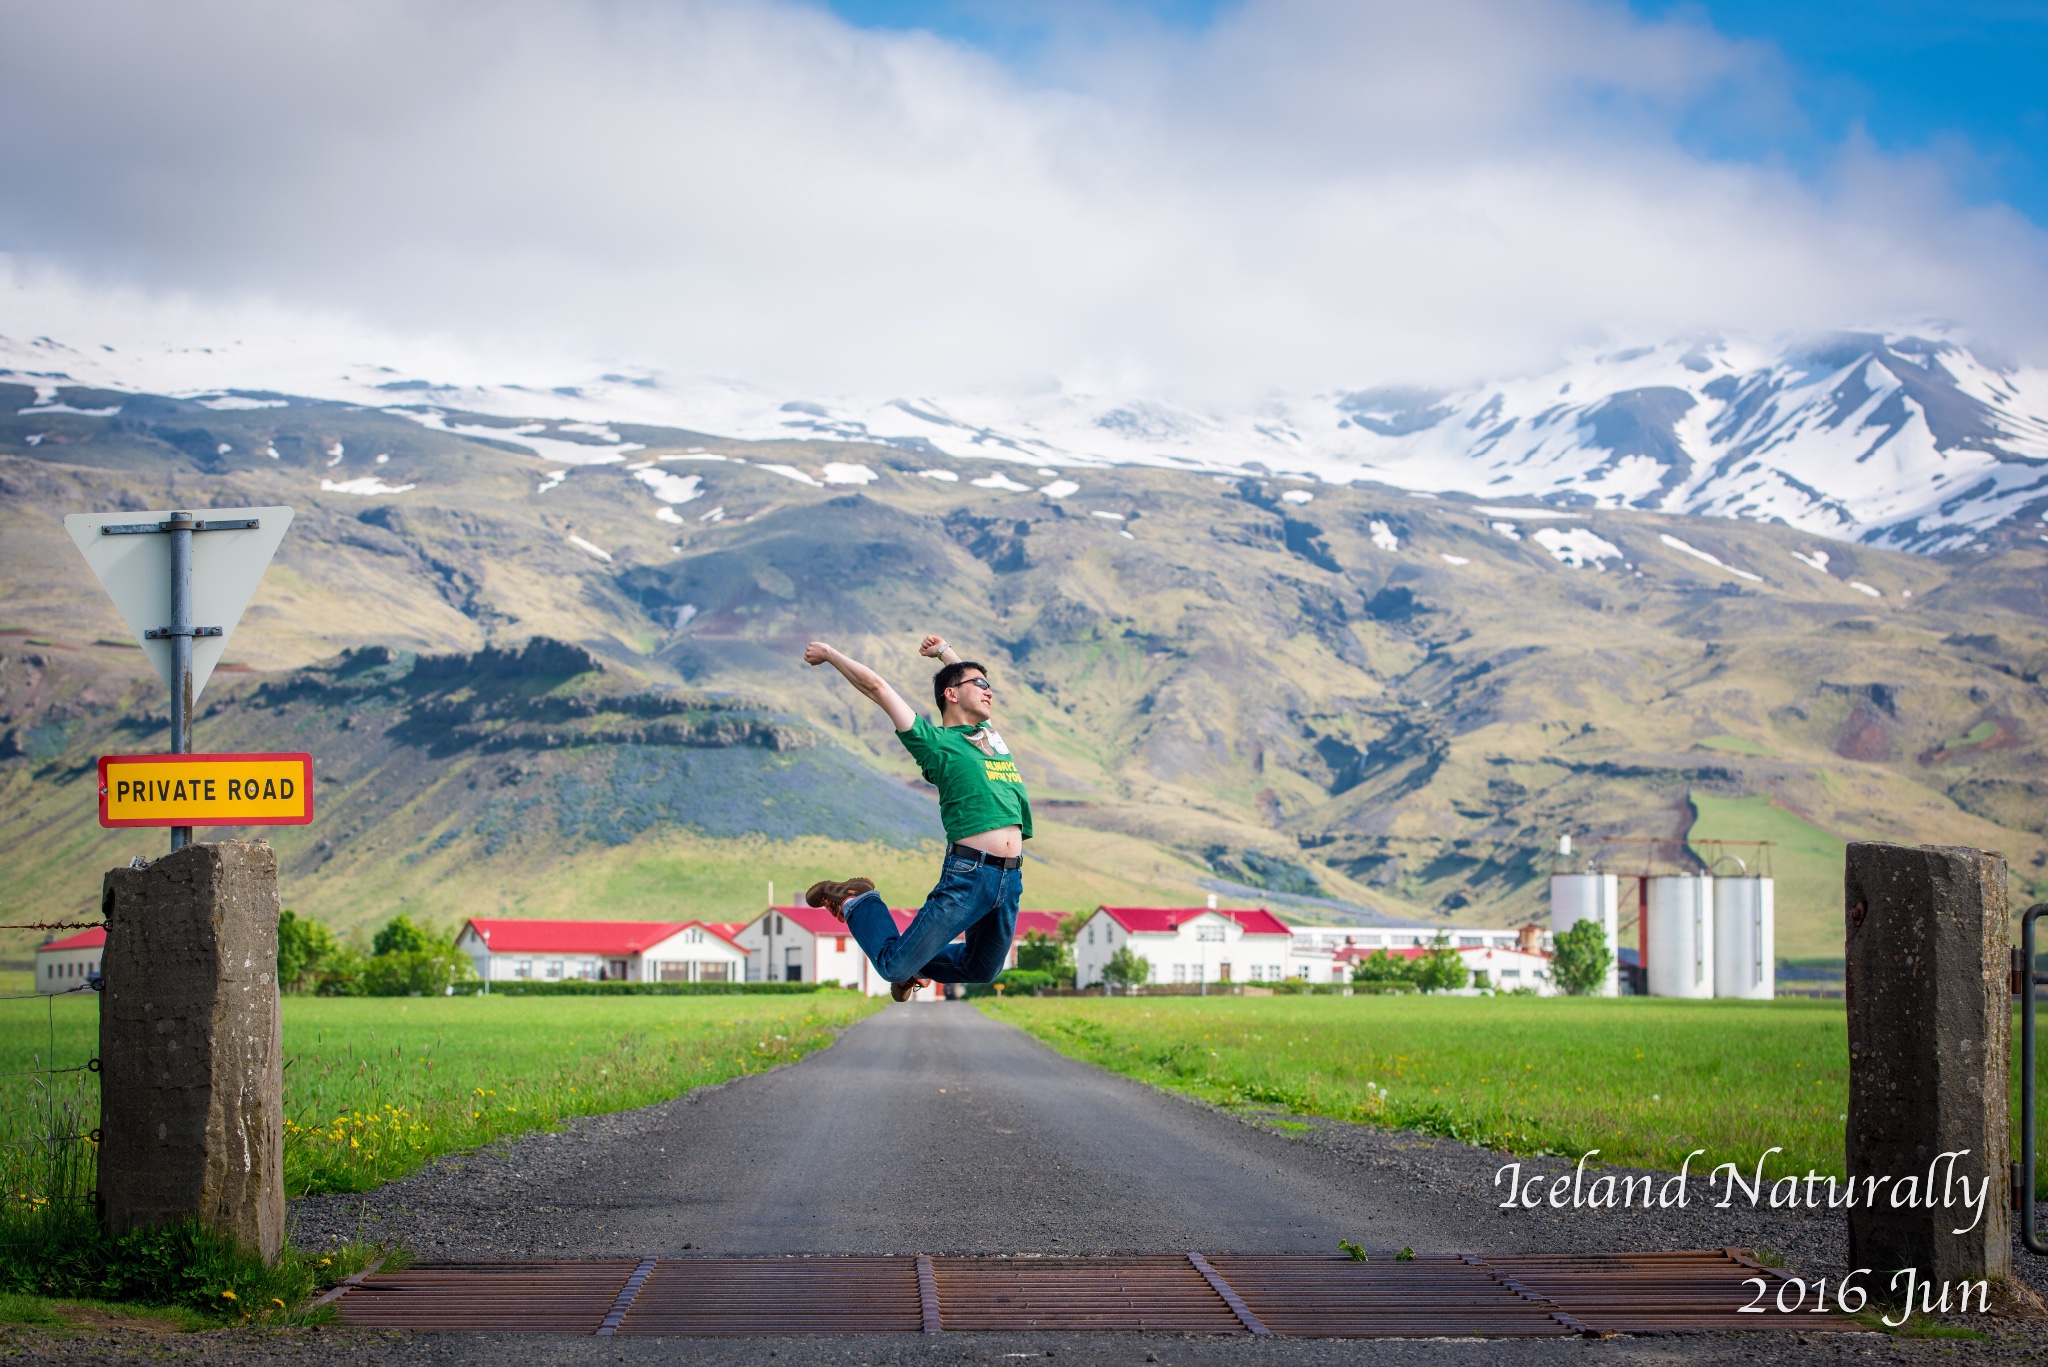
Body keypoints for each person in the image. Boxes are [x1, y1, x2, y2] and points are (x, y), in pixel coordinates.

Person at [801, 634, 1030, 1003]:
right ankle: (858, 900)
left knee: (983, 970)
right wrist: (829, 654)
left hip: (1010, 878)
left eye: (990, 686)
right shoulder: (934, 743)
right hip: (969, 877)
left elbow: (961, 678)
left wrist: (944, 653)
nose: (990, 692)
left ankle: (916, 965)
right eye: (981, 685)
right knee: (892, 966)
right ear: (951, 696)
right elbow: (876, 687)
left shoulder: (988, 738)